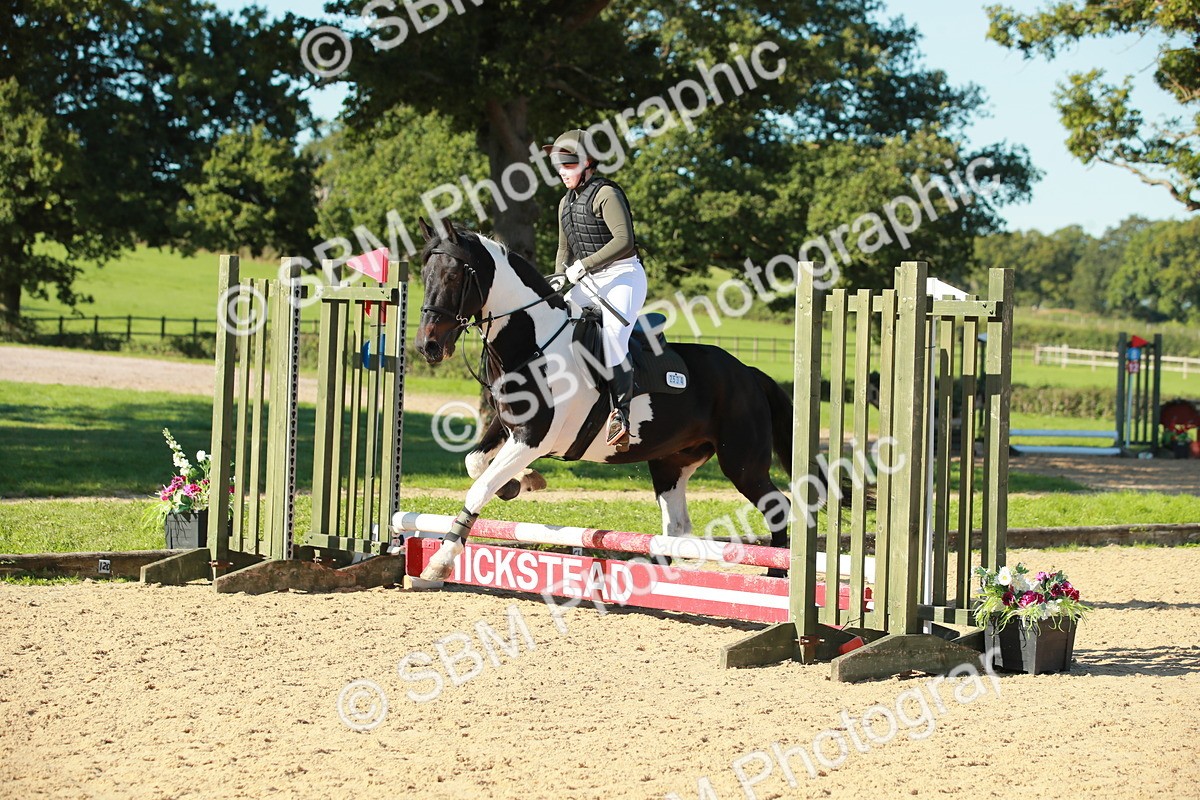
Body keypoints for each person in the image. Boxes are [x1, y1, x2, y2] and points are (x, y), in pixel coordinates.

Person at [543, 128, 647, 450]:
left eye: (569, 164)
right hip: (585, 279)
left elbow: (624, 241)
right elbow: (565, 249)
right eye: (559, 165)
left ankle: (621, 416)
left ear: (588, 162)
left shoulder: (606, 194)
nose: (562, 171)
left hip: (623, 276)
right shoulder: (565, 203)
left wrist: (583, 266)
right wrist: (560, 277)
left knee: (614, 337)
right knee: (553, 324)